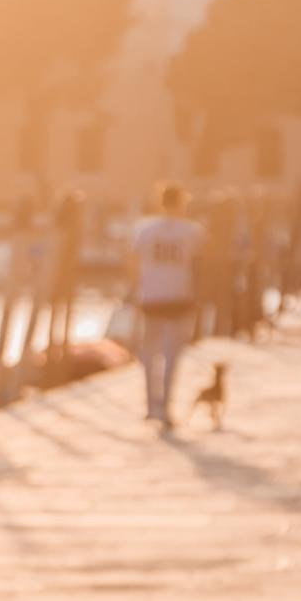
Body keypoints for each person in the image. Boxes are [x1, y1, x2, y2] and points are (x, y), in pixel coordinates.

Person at [126, 183, 206, 429]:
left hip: (150, 296)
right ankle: (166, 408)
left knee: (149, 353)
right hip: (179, 295)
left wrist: (135, 289)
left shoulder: (144, 228)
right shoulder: (193, 231)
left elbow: (131, 260)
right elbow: (201, 265)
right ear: (183, 203)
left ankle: (152, 406)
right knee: (172, 355)